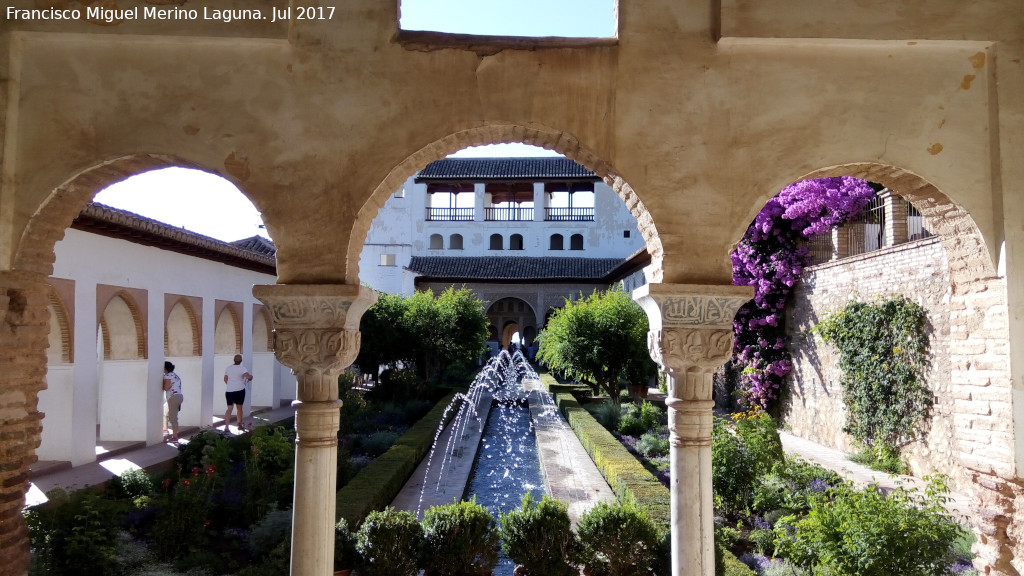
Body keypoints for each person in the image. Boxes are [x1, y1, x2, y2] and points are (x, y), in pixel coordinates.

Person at [223, 354, 252, 431]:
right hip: (239, 391)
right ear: (241, 360)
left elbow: (225, 379)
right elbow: (248, 377)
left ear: (234, 360)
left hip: (229, 391)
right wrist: (251, 377)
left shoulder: (228, 368)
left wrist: (231, 385)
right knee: (239, 408)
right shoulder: (242, 368)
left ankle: (226, 426)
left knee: (229, 409)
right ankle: (239, 425)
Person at [162, 361, 184, 442]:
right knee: (165, 412)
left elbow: (166, 388)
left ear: (165, 368)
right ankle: (165, 431)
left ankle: (175, 437)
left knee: (173, 417)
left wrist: (162, 383)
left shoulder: (168, 376)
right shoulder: (174, 375)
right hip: (177, 396)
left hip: (173, 397)